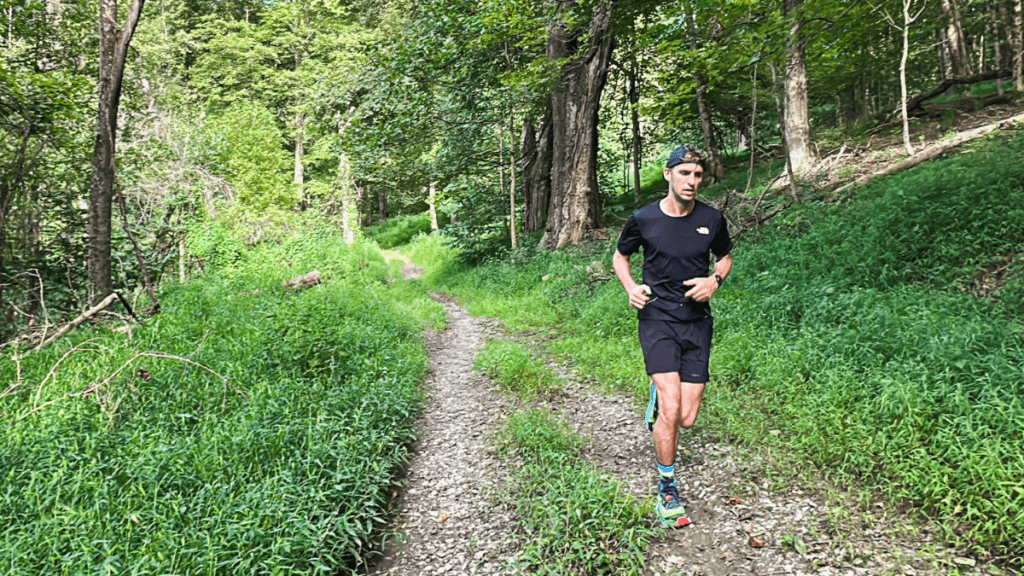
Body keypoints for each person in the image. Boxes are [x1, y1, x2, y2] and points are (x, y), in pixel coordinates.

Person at [612, 145, 733, 528]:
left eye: (697, 175)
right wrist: (630, 287)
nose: (692, 182)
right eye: (685, 174)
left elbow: (725, 257)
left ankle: (659, 398)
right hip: (657, 318)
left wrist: (715, 280)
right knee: (671, 409)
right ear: (668, 175)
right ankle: (667, 487)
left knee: (688, 418)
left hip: (697, 321)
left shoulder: (712, 219)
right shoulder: (644, 219)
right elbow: (620, 257)